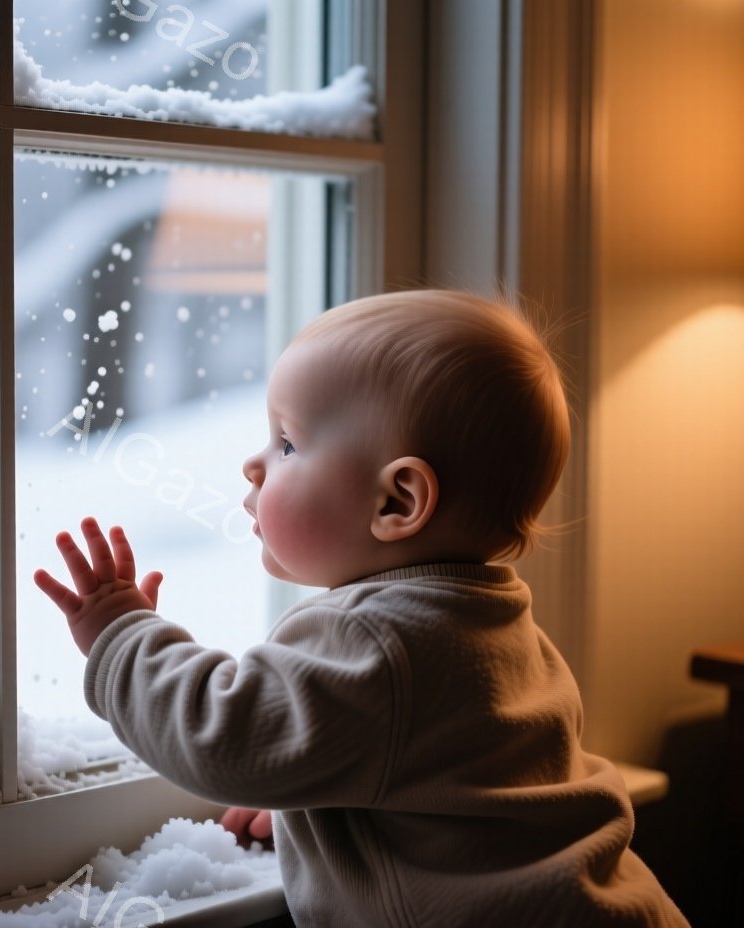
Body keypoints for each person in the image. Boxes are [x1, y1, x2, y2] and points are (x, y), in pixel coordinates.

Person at [34, 290, 690, 926]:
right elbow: (442, 794)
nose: (253, 464)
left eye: (287, 443)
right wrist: (318, 806)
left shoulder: (378, 640)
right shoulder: (495, 626)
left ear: (398, 503)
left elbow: (224, 737)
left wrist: (121, 634)